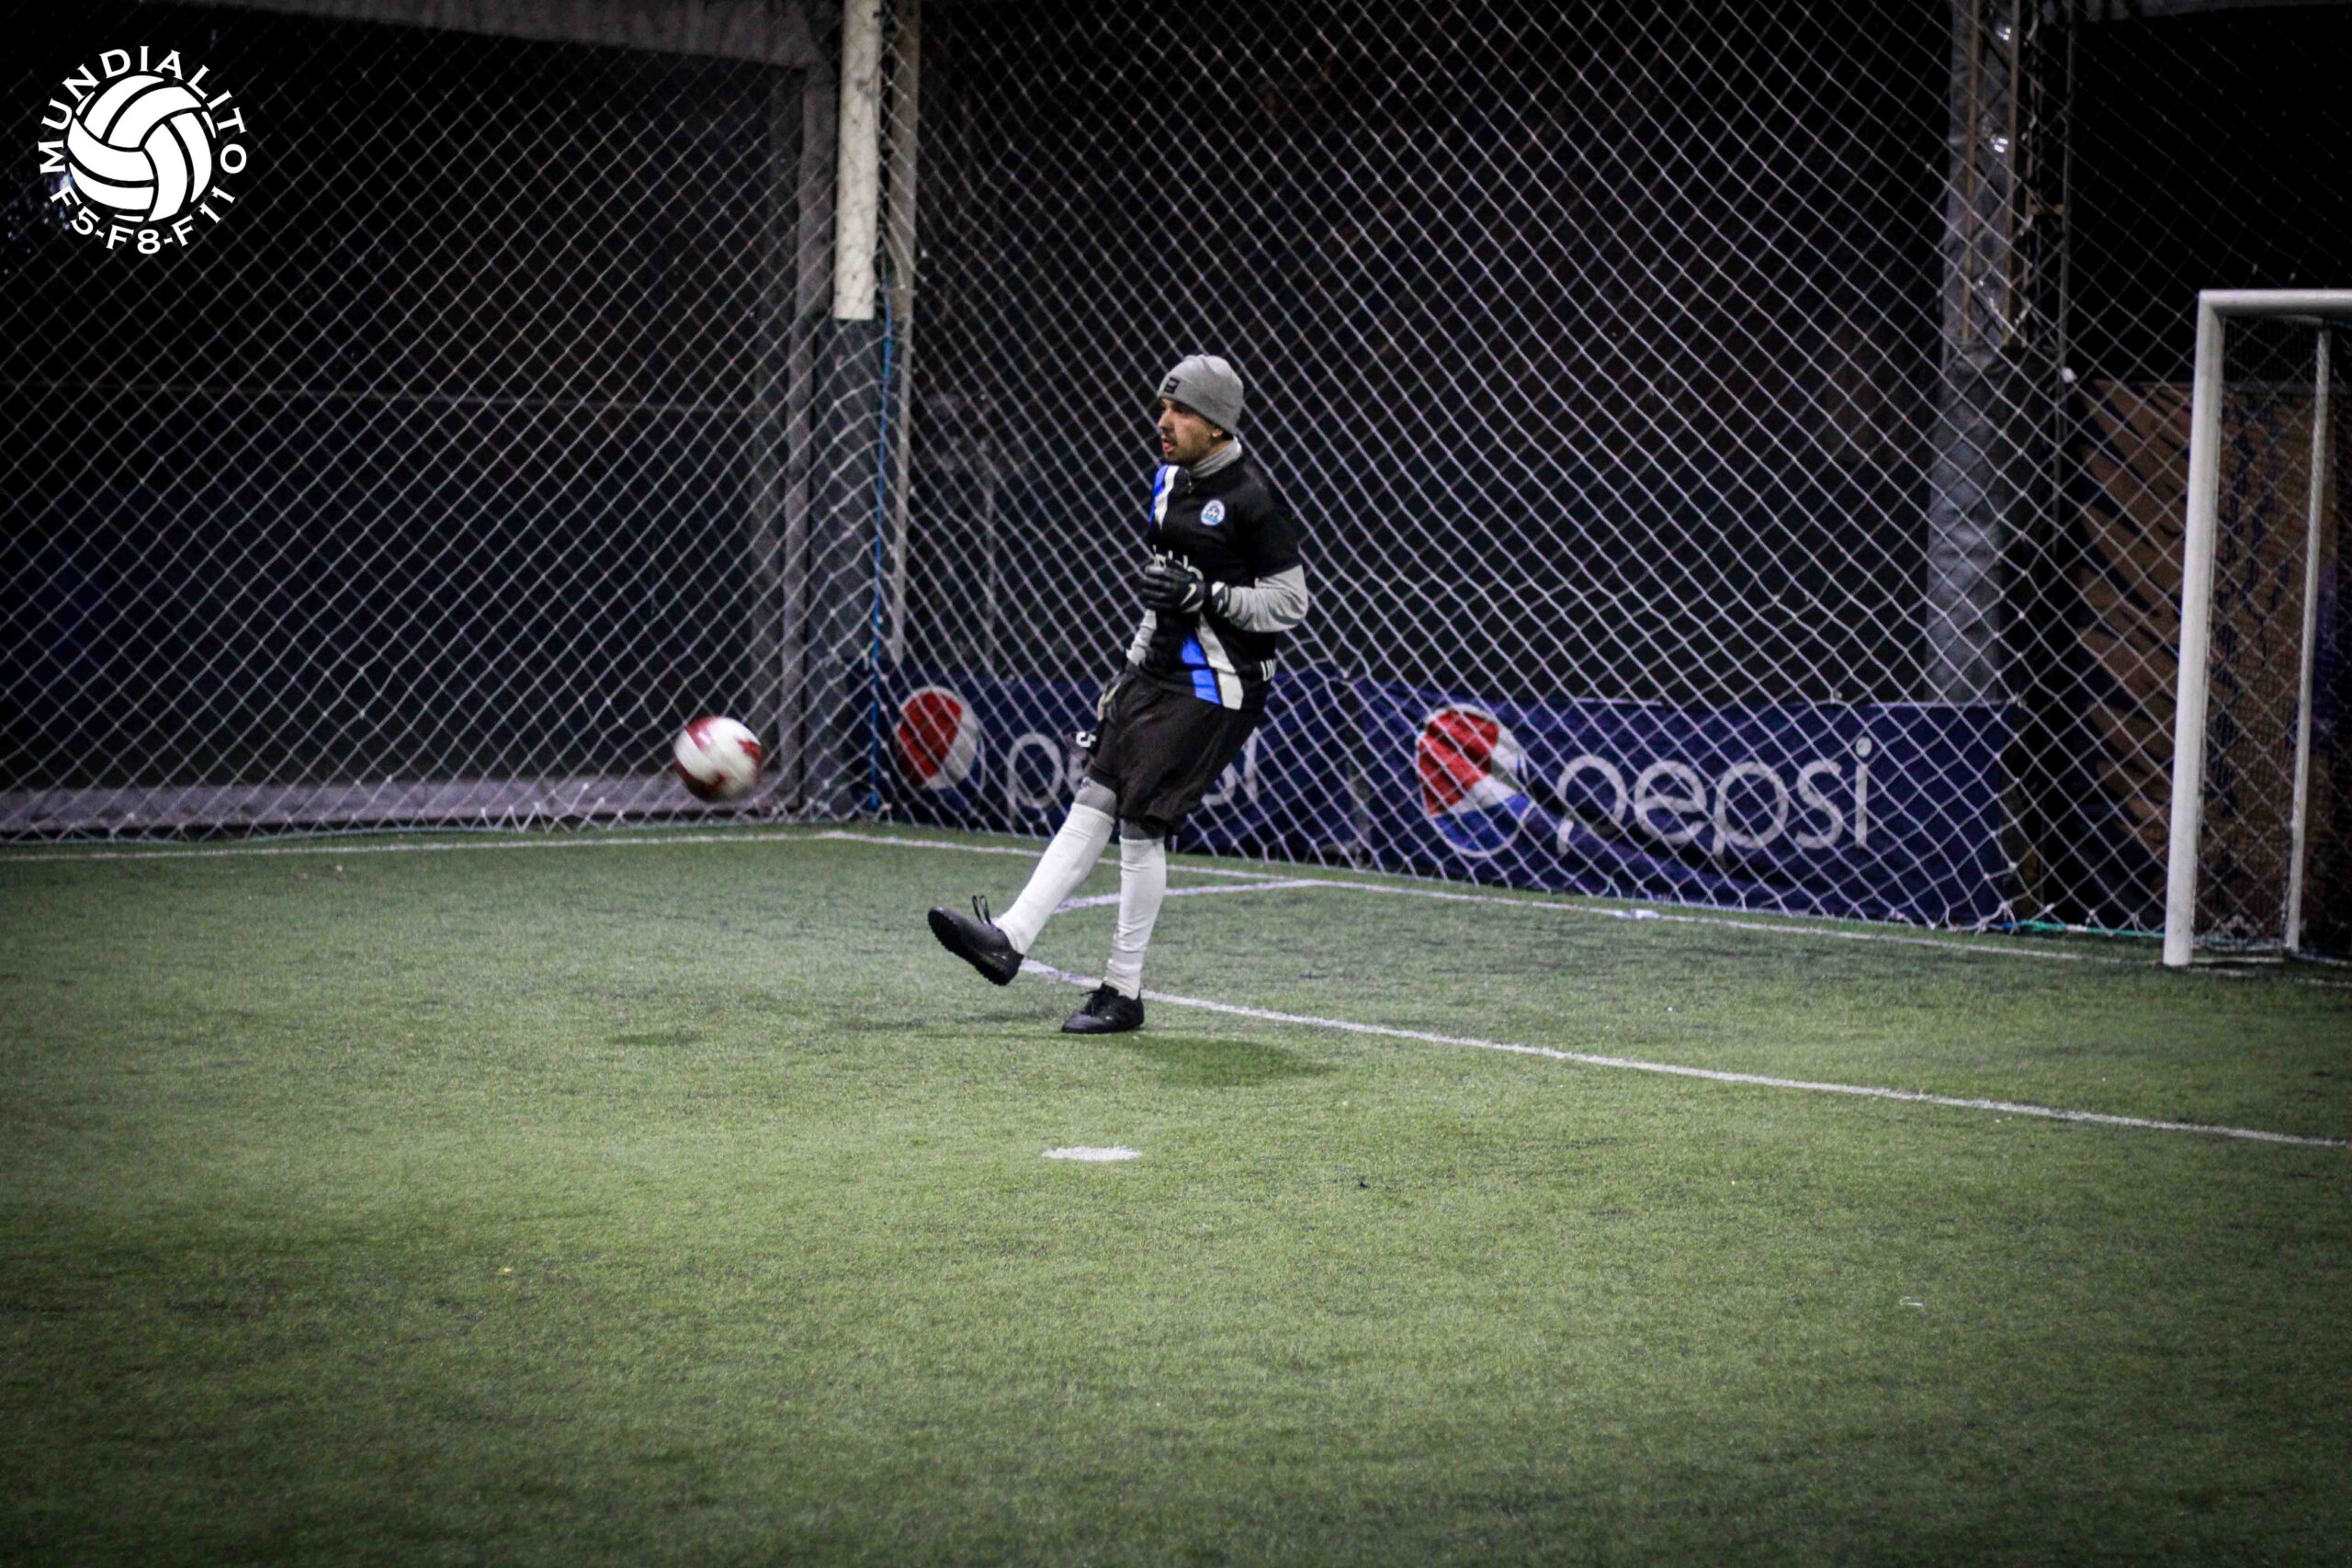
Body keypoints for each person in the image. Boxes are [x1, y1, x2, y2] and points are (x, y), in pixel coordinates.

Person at [926, 354, 1309, 1032]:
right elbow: (1163, 594)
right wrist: (1126, 673)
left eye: (1182, 410)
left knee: (1140, 823)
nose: (1165, 420)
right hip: (1157, 671)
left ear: (1218, 426)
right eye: (1164, 406)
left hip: (1218, 683)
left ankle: (1122, 991)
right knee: (1095, 796)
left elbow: (1290, 603)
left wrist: (1209, 595)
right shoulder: (1167, 483)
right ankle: (1009, 939)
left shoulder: (1253, 497)